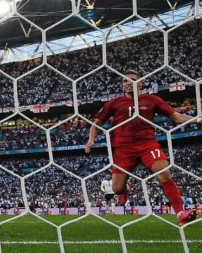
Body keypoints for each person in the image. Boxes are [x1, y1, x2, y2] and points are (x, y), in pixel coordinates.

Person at [85, 69, 199, 226]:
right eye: (125, 81)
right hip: (123, 148)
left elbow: (176, 117)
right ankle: (125, 187)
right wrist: (91, 140)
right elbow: (95, 124)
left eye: (132, 79)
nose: (128, 83)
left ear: (140, 82)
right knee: (117, 189)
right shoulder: (114, 103)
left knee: (164, 174)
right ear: (122, 85)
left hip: (147, 144)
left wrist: (198, 120)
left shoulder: (152, 100)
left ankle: (181, 213)